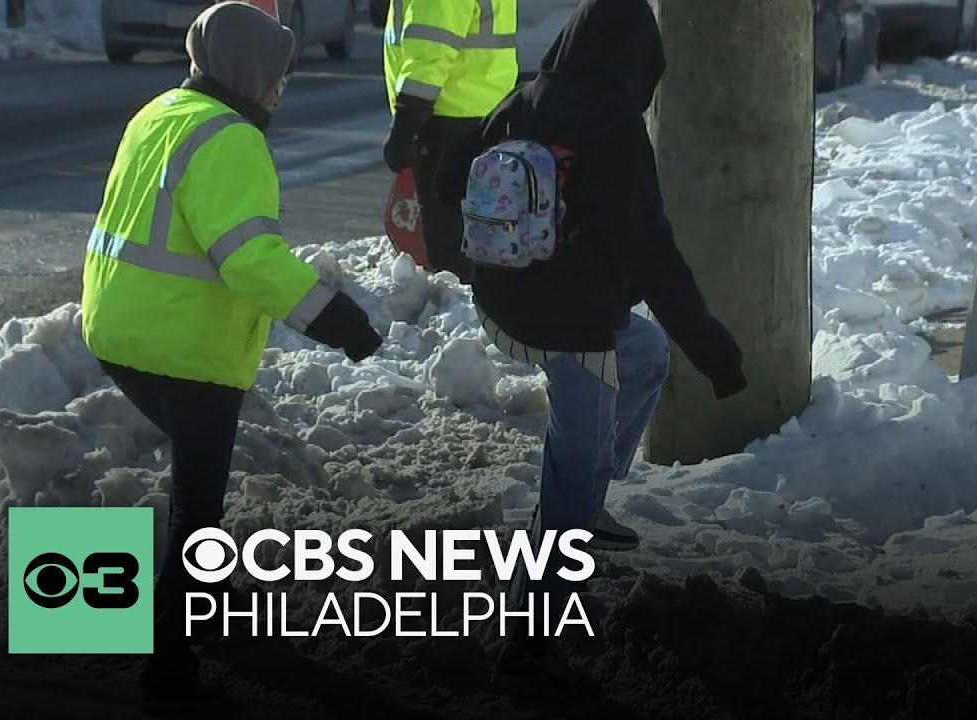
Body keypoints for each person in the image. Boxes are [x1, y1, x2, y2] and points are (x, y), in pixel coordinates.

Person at [80, 3, 383, 715]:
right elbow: (250, 259)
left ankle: (202, 606)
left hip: (119, 329)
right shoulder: (233, 139)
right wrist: (339, 321)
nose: (280, 91)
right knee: (198, 510)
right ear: (249, 74)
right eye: (276, 77)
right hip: (185, 346)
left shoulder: (161, 111)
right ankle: (169, 670)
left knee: (195, 498)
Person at [437, 0, 748, 679]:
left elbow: (456, 175)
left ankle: (587, 506)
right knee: (572, 469)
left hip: (503, 296)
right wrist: (715, 348)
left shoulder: (526, 95)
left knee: (643, 353)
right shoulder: (610, 123)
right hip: (566, 317)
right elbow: (650, 249)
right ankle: (527, 630)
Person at [382, 0, 519, 283]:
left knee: (449, 248)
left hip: (447, 116)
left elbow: (432, 48)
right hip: (480, 108)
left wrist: (408, 119)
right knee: (477, 235)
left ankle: (469, 301)